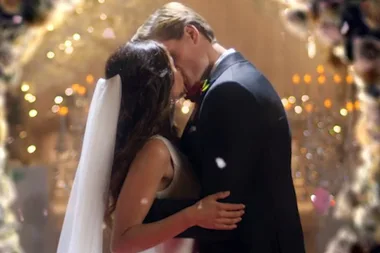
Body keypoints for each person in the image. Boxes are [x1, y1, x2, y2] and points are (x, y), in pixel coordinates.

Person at [132, 2, 306, 253]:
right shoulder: (227, 81)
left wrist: (137, 210)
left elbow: (223, 210)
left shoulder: (228, 91)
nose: (169, 73)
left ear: (192, 34)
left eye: (171, 59)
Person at [56, 40, 245, 253]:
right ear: (157, 82)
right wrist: (193, 215)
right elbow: (122, 243)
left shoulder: (158, 142)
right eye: (172, 65)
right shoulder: (155, 151)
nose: (179, 68)